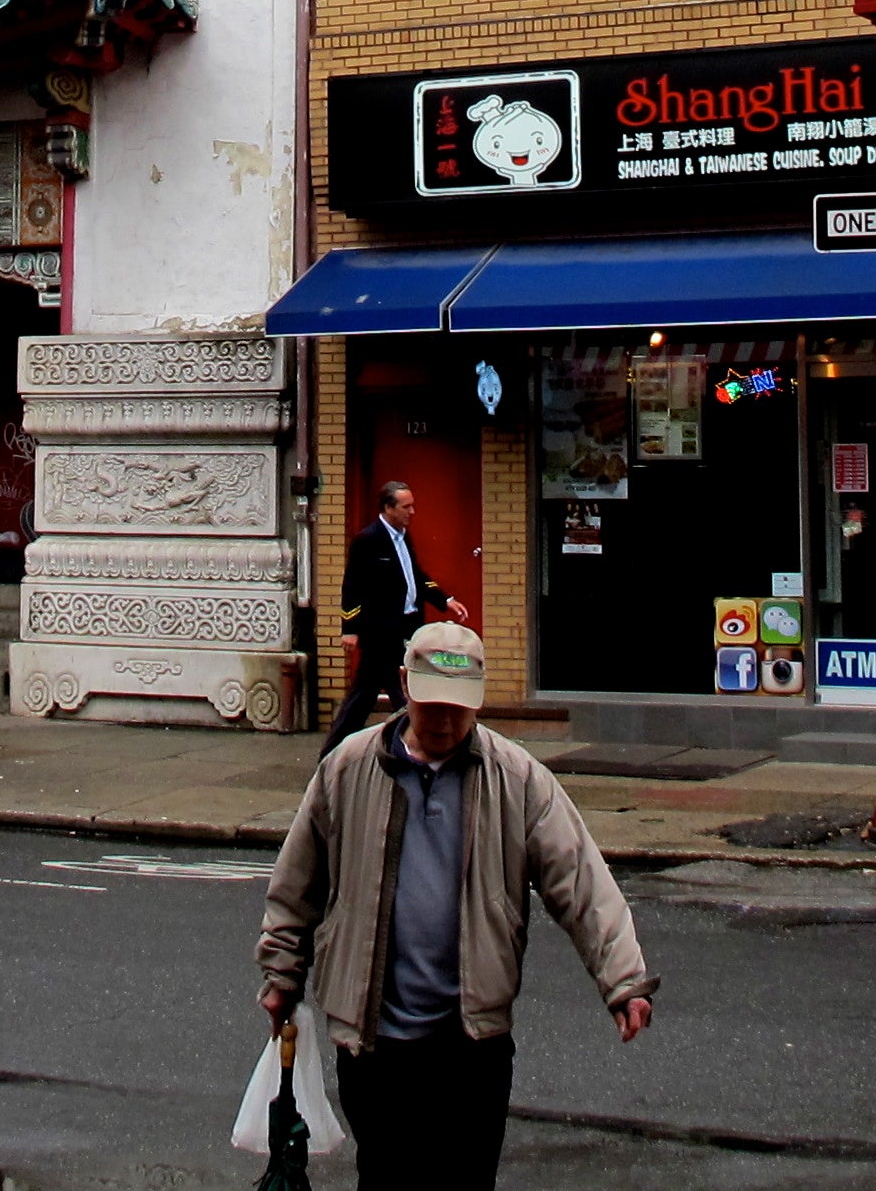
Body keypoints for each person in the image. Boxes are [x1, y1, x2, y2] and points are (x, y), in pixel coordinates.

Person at [257, 623, 653, 1191]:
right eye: (432, 705)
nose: (445, 721)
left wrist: (624, 980)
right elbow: (298, 883)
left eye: (458, 708)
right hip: (375, 1045)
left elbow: (582, 881)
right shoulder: (347, 768)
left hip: (472, 1048)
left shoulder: (517, 779)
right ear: (401, 688)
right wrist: (280, 974)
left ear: (480, 700)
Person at [325, 479, 465, 746]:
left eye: (412, 506)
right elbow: (352, 586)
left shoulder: (404, 538)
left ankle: (341, 748)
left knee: (369, 694)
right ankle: (416, 741)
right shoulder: (368, 540)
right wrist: (350, 629)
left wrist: (444, 599)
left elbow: (415, 577)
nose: (411, 512)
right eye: (405, 507)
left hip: (407, 625)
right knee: (398, 691)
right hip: (381, 631)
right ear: (388, 508)